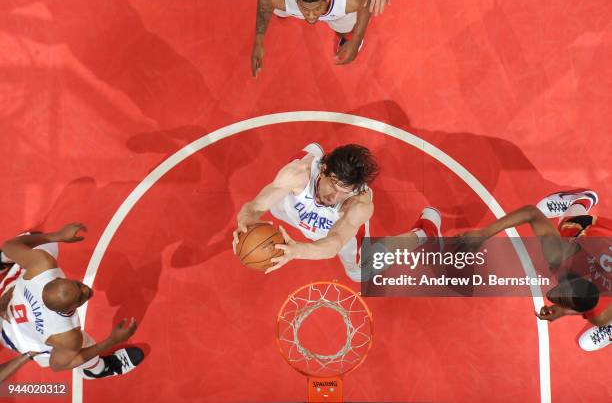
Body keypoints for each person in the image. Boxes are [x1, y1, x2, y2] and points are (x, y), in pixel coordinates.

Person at [232, 143, 442, 282]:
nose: (334, 197)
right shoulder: (296, 176)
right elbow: (255, 206)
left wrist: (297, 251)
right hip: (290, 207)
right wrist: (244, 224)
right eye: (332, 186)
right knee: (279, 200)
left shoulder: (358, 205)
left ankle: (425, 233)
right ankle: (310, 155)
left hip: (332, 227)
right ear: (323, 171)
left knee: (359, 272)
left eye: (343, 192)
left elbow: (334, 243)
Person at [457, 189, 612, 351]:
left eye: (562, 300)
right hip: (599, 234)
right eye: (562, 296)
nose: (553, 296)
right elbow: (532, 213)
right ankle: (583, 200)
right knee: (566, 225)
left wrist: (563, 311)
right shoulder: (562, 254)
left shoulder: (600, 315)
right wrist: (483, 233)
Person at [0, 225, 144, 378]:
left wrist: (58, 235)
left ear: (58, 279)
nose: (87, 290)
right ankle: (97, 370)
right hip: (20, 340)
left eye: (78, 285)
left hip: (6, 307)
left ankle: (2, 261)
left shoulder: (42, 263)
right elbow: (58, 365)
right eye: (80, 298)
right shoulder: (66, 335)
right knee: (83, 346)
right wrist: (111, 340)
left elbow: (9, 246)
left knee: (45, 243)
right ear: (67, 310)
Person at [251, 0, 377, 77]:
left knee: (345, 30)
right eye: (305, 9)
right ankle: (287, 12)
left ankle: (344, 36)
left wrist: (356, 39)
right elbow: (264, 3)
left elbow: (367, 4)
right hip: (287, 5)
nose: (311, 16)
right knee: (277, 8)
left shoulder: (349, 1)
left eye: (317, 9)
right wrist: (258, 42)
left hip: (338, 13)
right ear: (296, 0)